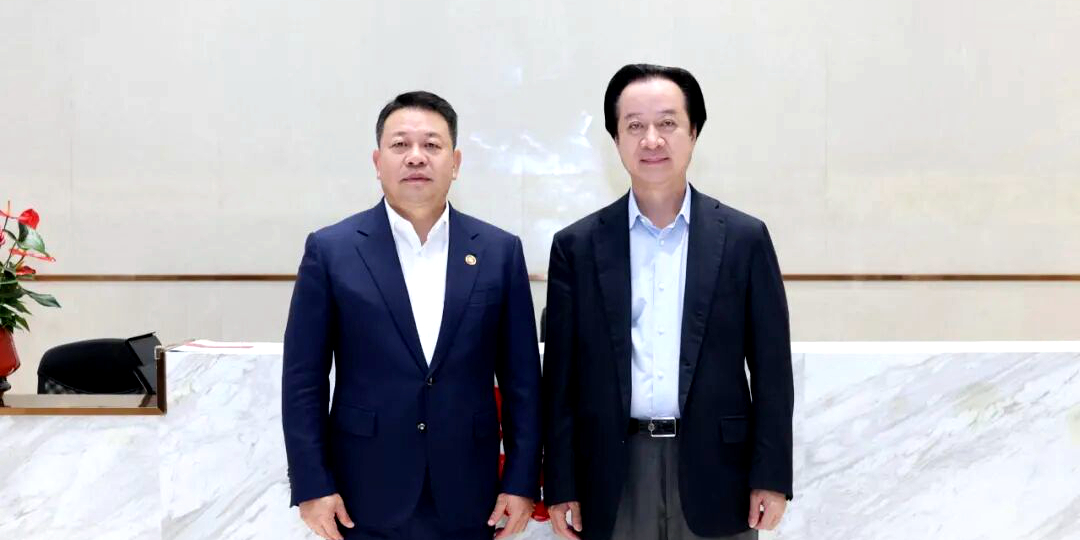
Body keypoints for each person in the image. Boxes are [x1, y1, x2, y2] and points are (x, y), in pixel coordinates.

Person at [542, 64, 794, 540]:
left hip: (719, 472)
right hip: (612, 474)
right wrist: (560, 483)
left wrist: (772, 475)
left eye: (668, 123)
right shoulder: (576, 247)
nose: (651, 140)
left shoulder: (744, 238)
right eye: (635, 125)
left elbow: (772, 370)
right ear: (615, 139)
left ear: (694, 132)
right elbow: (560, 381)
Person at [282, 91, 541, 540]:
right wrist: (312, 483)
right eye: (400, 144)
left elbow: (523, 382)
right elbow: (303, 379)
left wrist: (521, 480)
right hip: (362, 492)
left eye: (432, 145)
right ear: (377, 161)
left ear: (455, 162)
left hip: (470, 493)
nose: (416, 157)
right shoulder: (331, 250)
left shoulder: (499, 252)